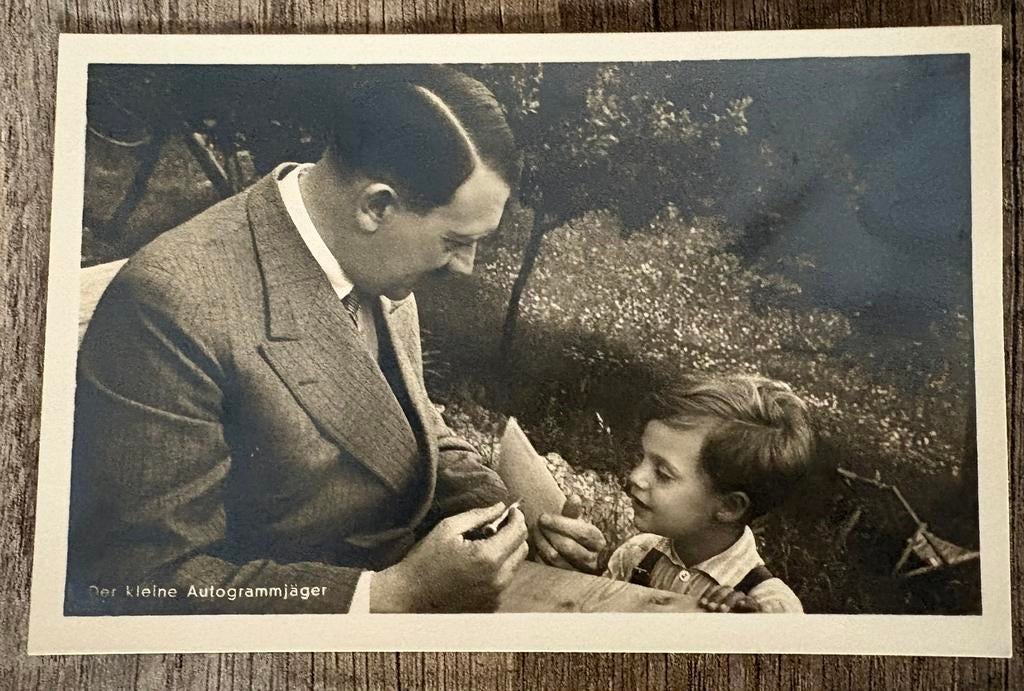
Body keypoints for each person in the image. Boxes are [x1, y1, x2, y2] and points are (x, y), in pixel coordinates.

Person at [64, 66, 597, 615]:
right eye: (455, 241)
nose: (466, 267)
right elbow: (137, 580)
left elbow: (411, 432)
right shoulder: (175, 305)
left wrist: (506, 516)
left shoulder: (371, 256)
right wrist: (389, 595)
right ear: (377, 206)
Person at [566, 374, 815, 613]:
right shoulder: (636, 556)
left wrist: (746, 630)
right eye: (642, 458)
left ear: (729, 507)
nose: (635, 477)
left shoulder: (770, 605)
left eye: (663, 473)